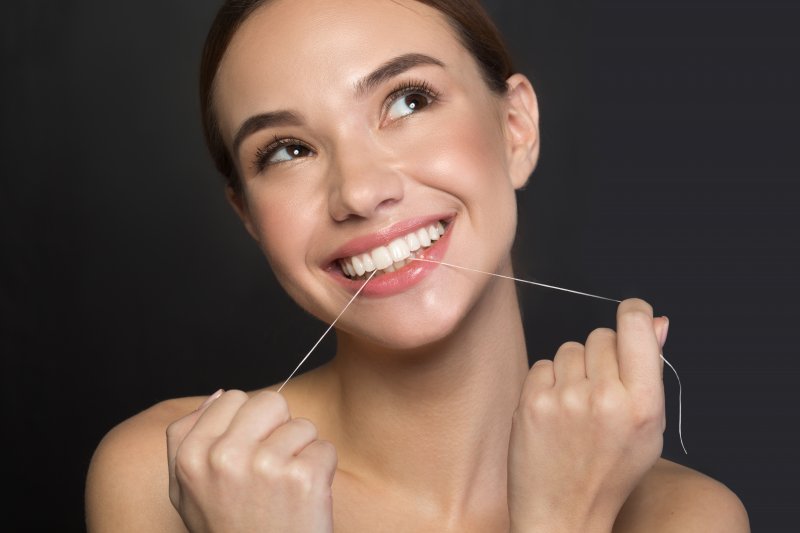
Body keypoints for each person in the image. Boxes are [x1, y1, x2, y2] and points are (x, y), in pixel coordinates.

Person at [85, 0, 749, 531]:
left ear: (515, 126)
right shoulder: (167, 474)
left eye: (407, 101)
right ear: (249, 217)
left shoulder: (681, 518)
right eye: (288, 150)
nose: (360, 191)